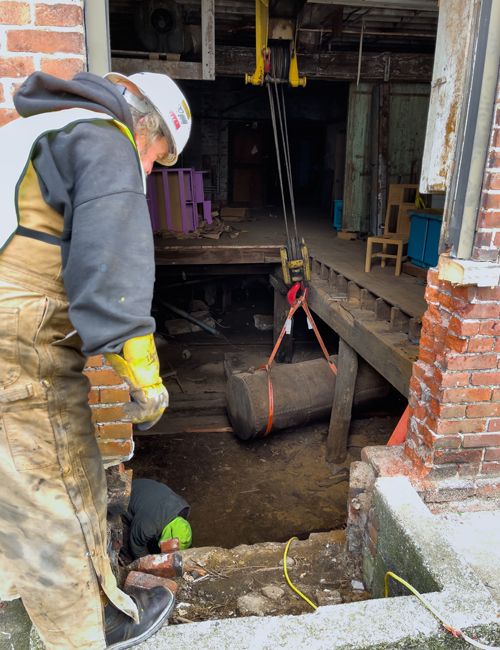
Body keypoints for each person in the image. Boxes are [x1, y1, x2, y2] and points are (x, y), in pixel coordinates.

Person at [0, 70, 192, 650]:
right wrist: (144, 376)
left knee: (19, 486)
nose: (153, 171)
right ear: (146, 128)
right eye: (159, 156)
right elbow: (113, 271)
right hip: (17, 342)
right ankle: (83, 633)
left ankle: (25, 599)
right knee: (53, 494)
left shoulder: (33, 128)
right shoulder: (108, 137)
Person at [122, 478, 192, 561]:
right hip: (126, 495)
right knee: (128, 551)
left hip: (145, 487)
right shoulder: (147, 526)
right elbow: (137, 547)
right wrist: (150, 565)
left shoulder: (183, 509)